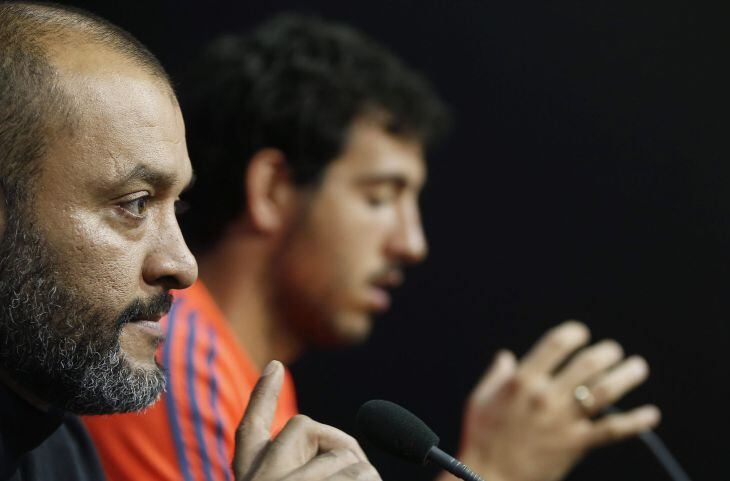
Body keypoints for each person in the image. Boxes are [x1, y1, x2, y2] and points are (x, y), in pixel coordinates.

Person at [84, 13, 661, 481]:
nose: (413, 244)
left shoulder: (248, 386)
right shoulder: (175, 357)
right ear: (272, 190)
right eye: (381, 197)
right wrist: (494, 472)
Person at [0, 4, 380, 481]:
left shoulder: (59, 443)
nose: (183, 266)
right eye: (135, 204)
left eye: (175, 207)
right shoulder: (183, 367)